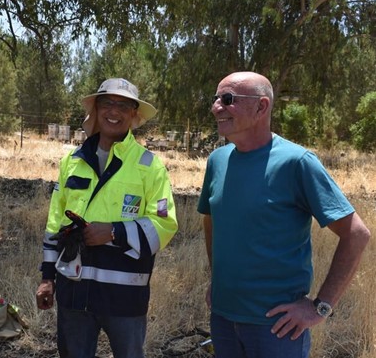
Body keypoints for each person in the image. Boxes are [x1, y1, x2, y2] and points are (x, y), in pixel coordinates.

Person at [197, 71, 371, 358]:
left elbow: (356, 234)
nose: (216, 107)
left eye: (228, 100)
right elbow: (211, 219)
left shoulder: (297, 162)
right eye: (216, 99)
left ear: (262, 106)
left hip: (276, 328)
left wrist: (321, 306)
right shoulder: (217, 161)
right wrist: (218, 279)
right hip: (223, 318)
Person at [35, 78, 178, 357]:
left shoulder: (150, 166)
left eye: (123, 105)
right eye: (107, 103)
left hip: (125, 299)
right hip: (74, 292)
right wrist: (47, 277)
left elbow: (165, 222)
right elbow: (54, 223)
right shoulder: (72, 161)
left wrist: (114, 231)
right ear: (96, 109)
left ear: (134, 114)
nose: (114, 111)